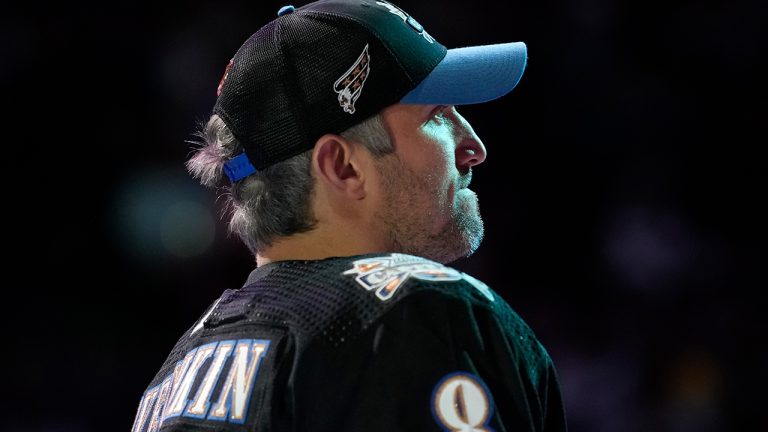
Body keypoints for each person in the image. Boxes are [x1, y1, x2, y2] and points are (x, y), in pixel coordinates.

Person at [132, 0, 567, 431]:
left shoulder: (171, 379)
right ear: (343, 166)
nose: (474, 147)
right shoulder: (418, 314)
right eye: (437, 115)